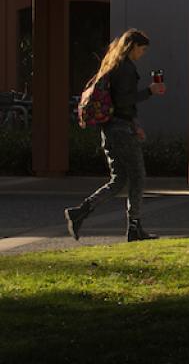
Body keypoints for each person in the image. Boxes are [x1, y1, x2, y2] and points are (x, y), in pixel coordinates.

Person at [63, 28, 166, 242]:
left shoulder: (112, 64)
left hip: (110, 128)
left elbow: (116, 103)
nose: (142, 54)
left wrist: (134, 124)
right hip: (121, 130)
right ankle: (134, 227)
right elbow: (123, 101)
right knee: (138, 176)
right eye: (142, 49)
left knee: (119, 179)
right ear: (133, 47)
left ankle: (80, 211)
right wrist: (150, 91)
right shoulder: (125, 69)